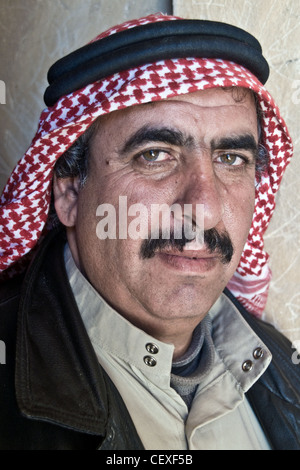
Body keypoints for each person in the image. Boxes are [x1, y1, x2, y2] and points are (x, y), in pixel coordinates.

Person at [0, 13, 299, 450]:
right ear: (68, 194)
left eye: (232, 159)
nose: (204, 207)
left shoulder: (281, 369)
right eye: (155, 155)